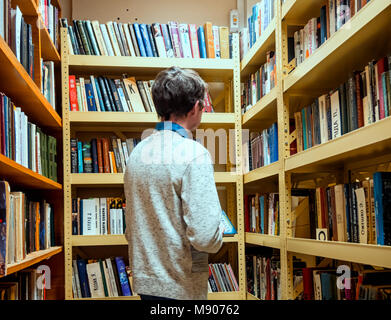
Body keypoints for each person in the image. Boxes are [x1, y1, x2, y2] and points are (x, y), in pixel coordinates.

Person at [124, 66, 224, 300]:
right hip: (182, 286)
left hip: (146, 284)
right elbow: (204, 237)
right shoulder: (193, 154)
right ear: (196, 107)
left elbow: (132, 228)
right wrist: (219, 230)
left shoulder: (137, 154)